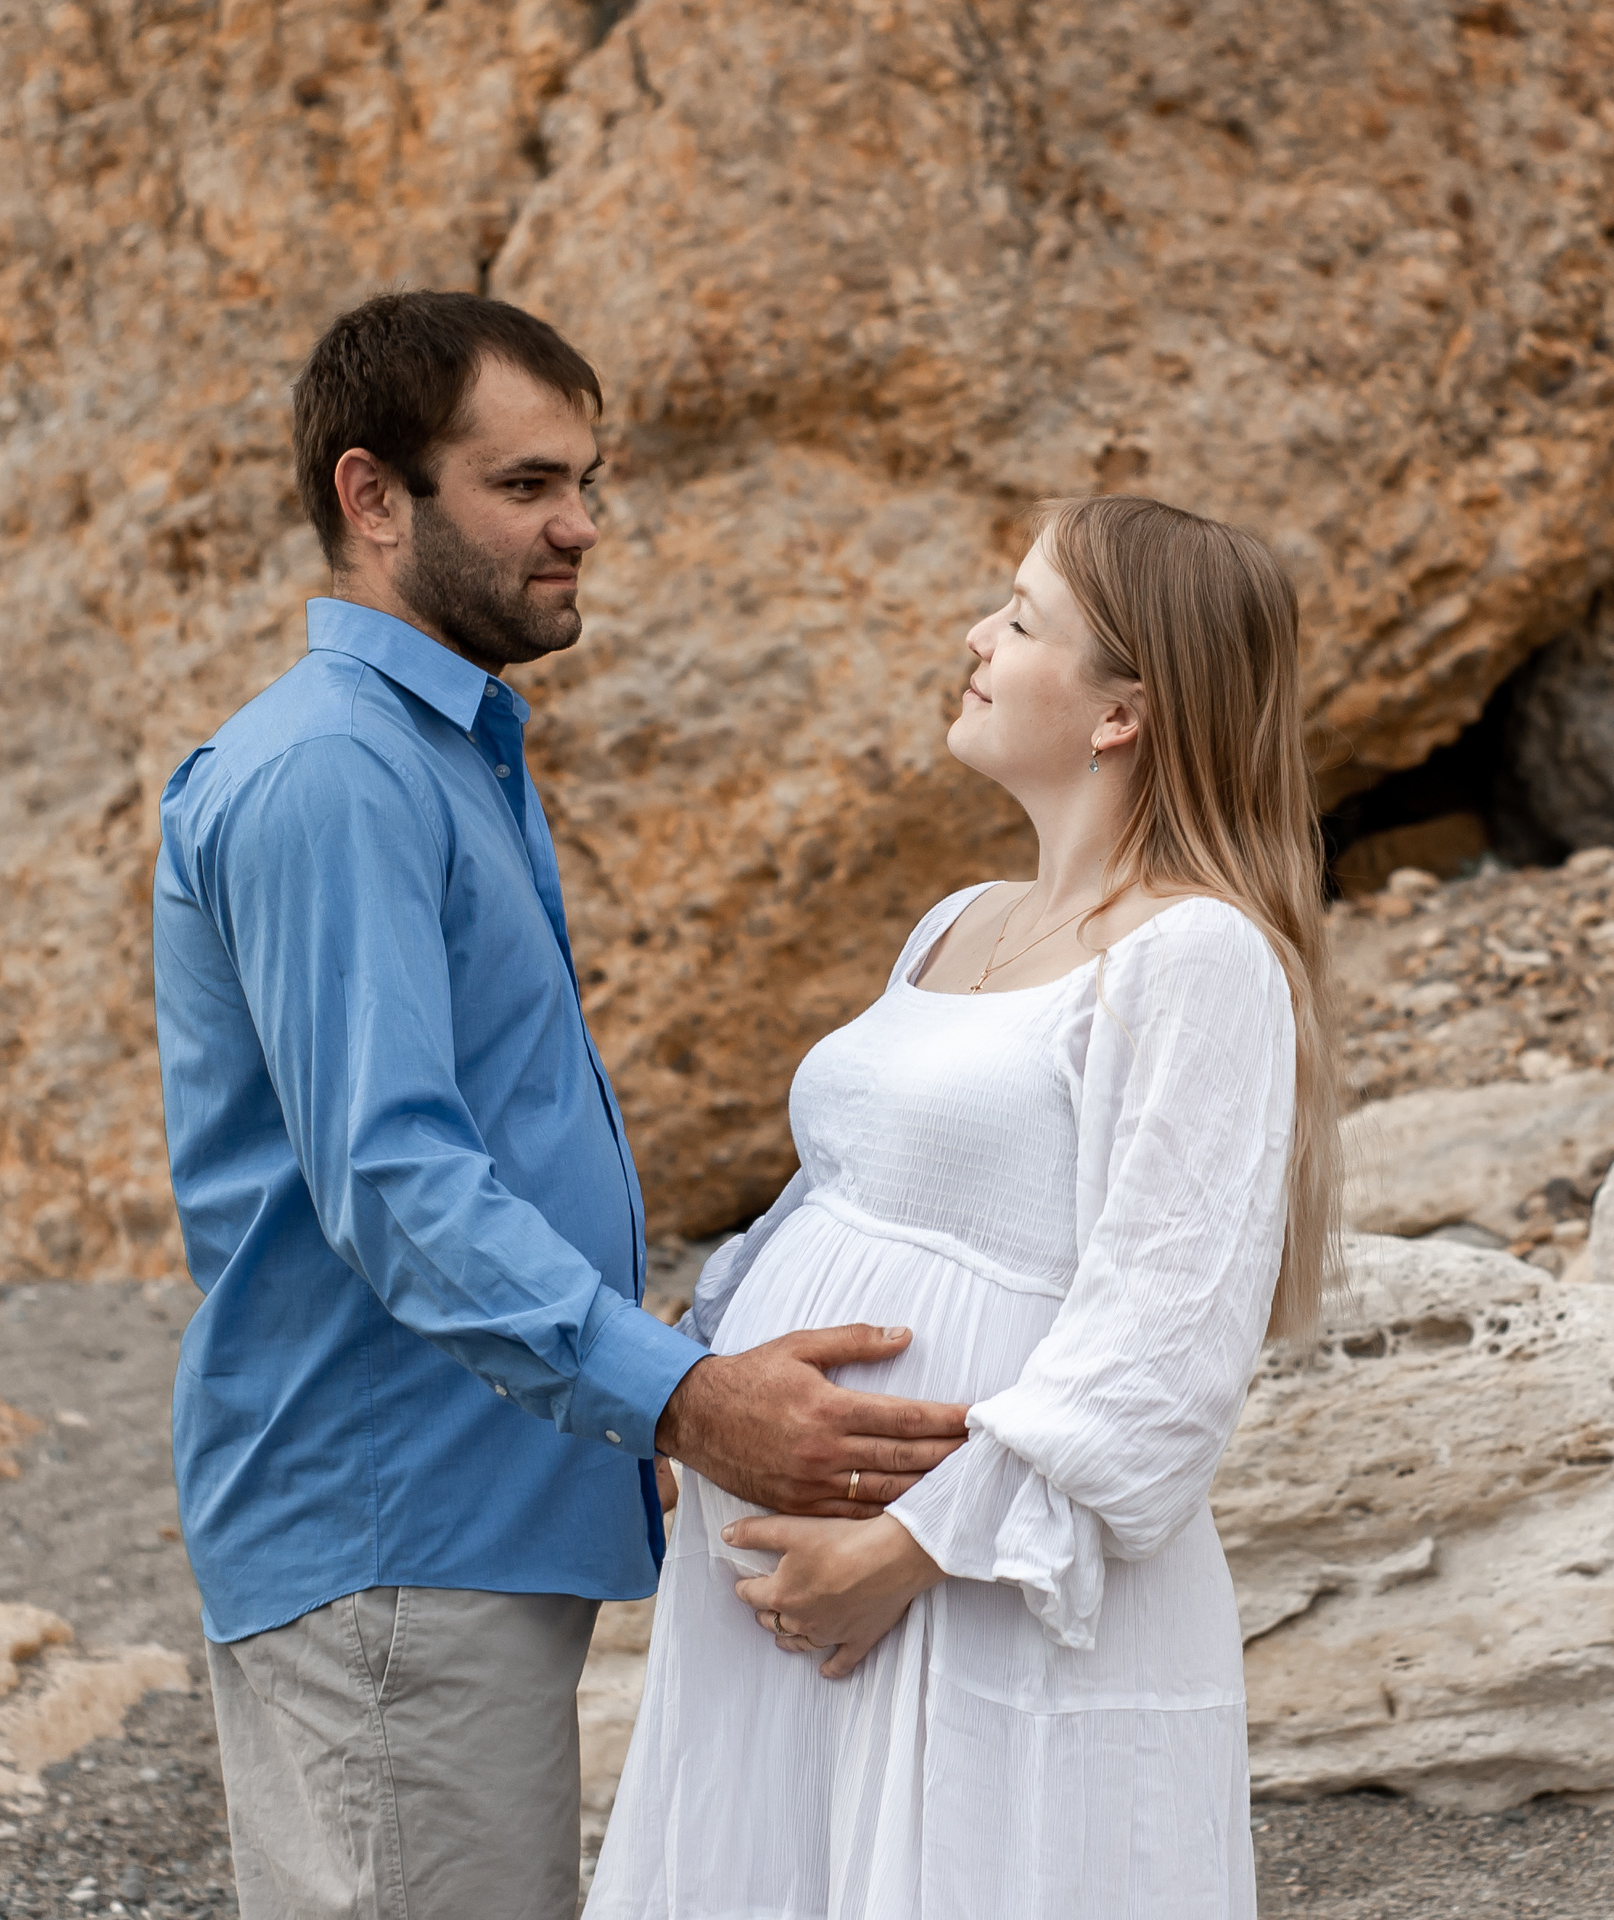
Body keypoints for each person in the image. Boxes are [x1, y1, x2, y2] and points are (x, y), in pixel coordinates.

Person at [150, 290, 972, 1920]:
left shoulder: (441, 751)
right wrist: (675, 1395)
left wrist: (621, 1396)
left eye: (586, 483)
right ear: (371, 497)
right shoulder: (336, 775)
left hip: (464, 1509)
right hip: (391, 1533)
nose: (580, 526)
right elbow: (393, 1184)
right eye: (524, 486)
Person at [585, 495, 1343, 1920]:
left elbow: (1168, 1340)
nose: (973, 637)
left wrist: (904, 1549)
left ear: (1123, 710)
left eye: (1018, 615)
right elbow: (839, 1187)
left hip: (975, 1586)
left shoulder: (1198, 960)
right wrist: (701, 1385)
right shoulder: (958, 919)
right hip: (787, 1571)